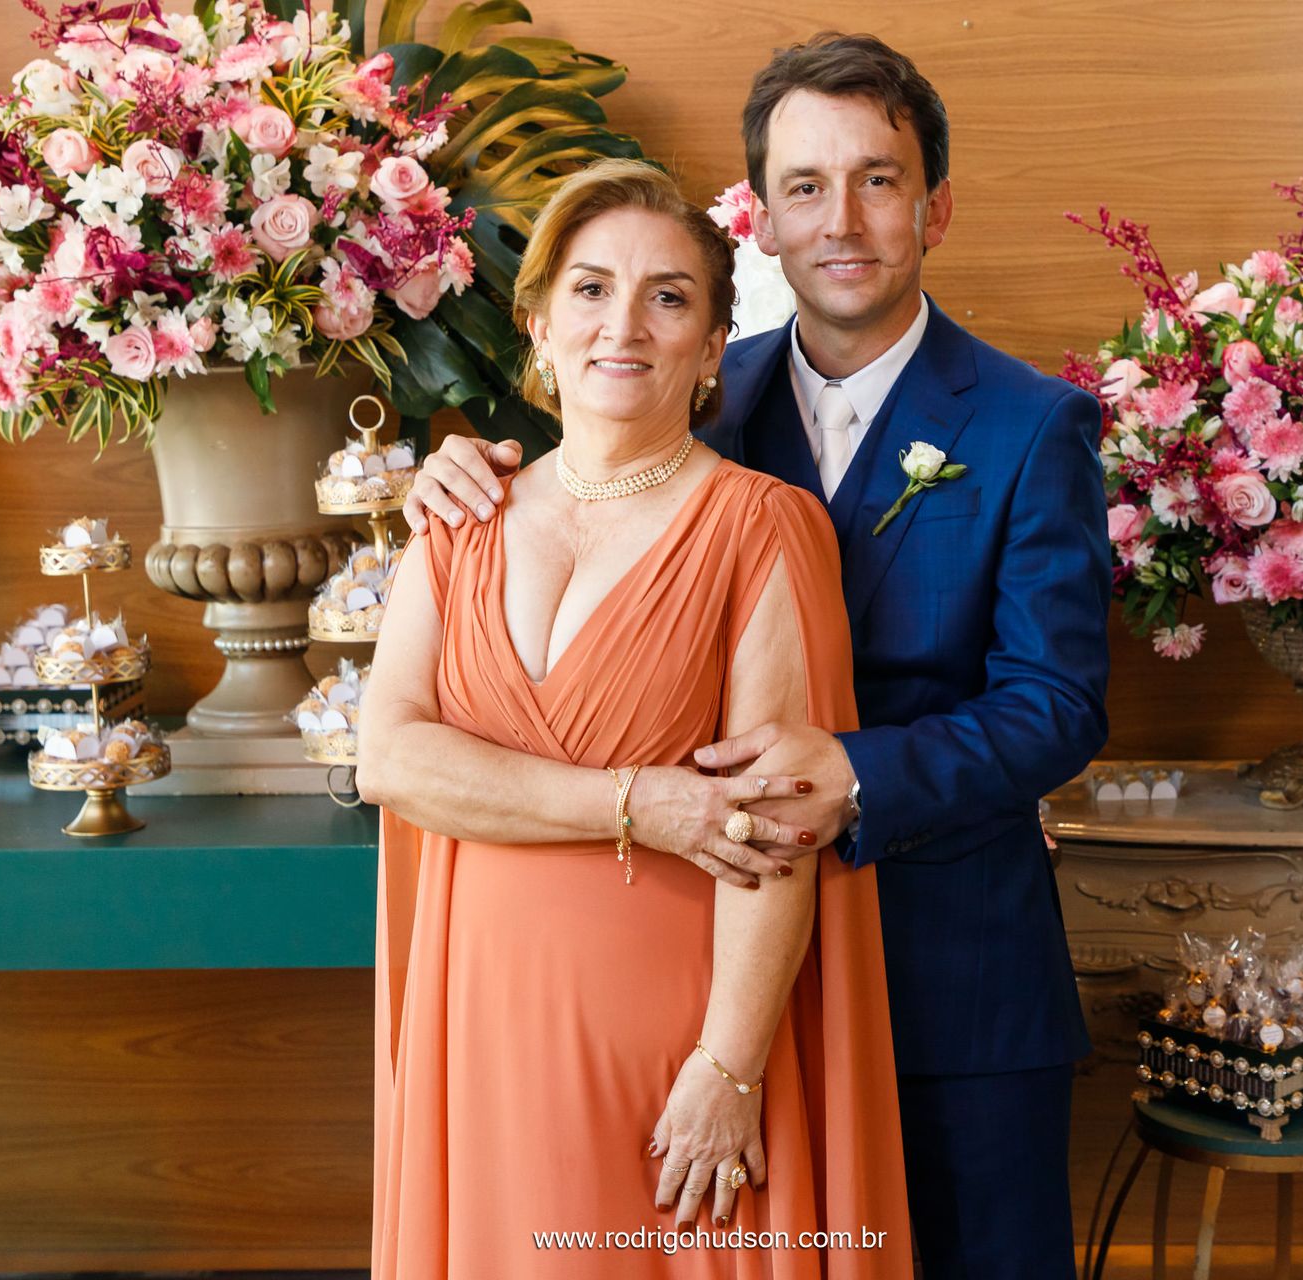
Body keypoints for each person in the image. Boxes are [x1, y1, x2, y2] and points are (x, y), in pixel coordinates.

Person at [404, 34, 1111, 1279]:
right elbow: (572, 492)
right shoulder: (678, 378)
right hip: (711, 965)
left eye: (877, 179)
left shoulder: (1029, 422)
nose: (840, 219)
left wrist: (857, 770)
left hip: (946, 970)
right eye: (803, 186)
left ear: (933, 205)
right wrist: (453, 468)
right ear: (763, 222)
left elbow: (1056, 704)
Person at [358, 159, 912, 1278]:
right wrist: (636, 800)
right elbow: (390, 757)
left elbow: (781, 824)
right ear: (539, 322)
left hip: (675, 1037)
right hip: (482, 1028)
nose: (626, 324)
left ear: (713, 347)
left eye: (669, 297)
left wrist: (732, 1064)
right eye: (591, 289)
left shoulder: (765, 525)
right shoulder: (459, 513)